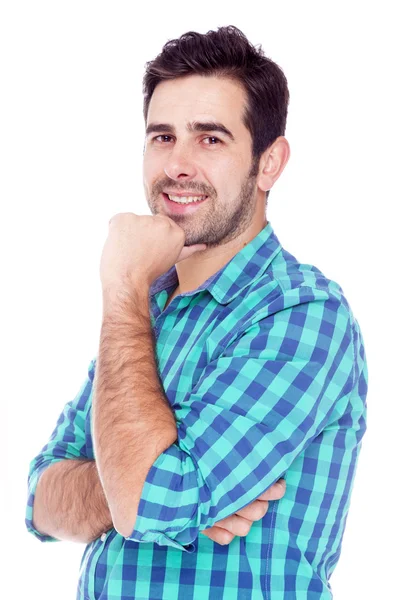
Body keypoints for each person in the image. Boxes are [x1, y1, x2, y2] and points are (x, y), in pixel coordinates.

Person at [25, 25, 368, 600]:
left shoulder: (303, 313)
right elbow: (40, 499)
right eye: (162, 137)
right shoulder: (146, 311)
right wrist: (131, 488)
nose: (177, 165)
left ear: (269, 163)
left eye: (210, 140)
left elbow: (152, 498)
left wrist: (134, 484)